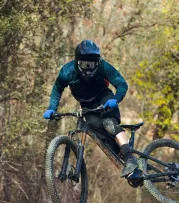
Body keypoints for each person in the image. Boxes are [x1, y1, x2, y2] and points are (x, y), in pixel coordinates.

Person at [43, 39, 138, 177]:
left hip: (104, 98)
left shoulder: (104, 67)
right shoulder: (67, 71)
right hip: (87, 104)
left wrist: (115, 99)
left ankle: (130, 158)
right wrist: (52, 107)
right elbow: (57, 89)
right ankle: (127, 165)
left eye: (92, 64)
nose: (89, 68)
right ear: (77, 62)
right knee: (99, 135)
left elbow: (122, 84)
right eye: (85, 64)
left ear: (98, 62)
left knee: (109, 123)